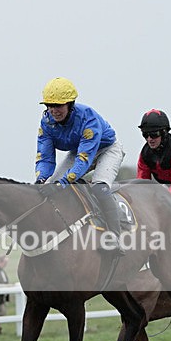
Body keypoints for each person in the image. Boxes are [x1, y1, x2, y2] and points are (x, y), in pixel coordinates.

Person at [35, 77, 126, 252]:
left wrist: (61, 183)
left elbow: (83, 160)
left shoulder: (88, 118)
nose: (54, 110)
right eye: (50, 105)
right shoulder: (46, 123)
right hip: (78, 150)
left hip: (107, 149)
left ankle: (114, 237)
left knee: (99, 187)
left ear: (70, 104)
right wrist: (41, 179)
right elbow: (45, 158)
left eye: (58, 105)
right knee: (49, 186)